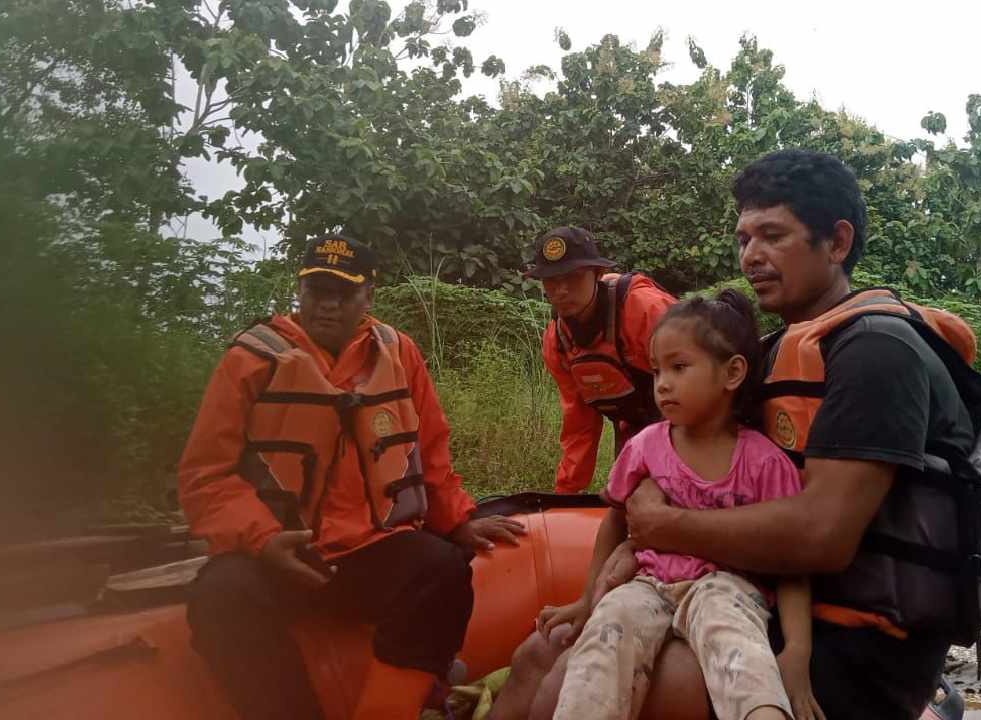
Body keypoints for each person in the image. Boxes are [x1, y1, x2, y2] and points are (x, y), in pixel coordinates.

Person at [495, 149, 981, 720]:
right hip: (746, 598)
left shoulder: (878, 353)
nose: (751, 256)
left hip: (852, 647)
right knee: (540, 653)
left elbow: (821, 536)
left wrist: (664, 525)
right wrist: (624, 557)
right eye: (743, 239)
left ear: (836, 243)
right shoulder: (773, 352)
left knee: (569, 680)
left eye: (772, 235)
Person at [179, 234, 526, 720]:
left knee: (443, 569)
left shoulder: (399, 353)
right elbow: (205, 476)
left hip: (369, 550)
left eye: (342, 293)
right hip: (279, 554)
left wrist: (458, 520)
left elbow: (429, 452)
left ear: (368, 296)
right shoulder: (250, 361)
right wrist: (262, 540)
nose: (326, 305)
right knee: (220, 595)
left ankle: (390, 708)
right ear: (300, 290)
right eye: (316, 290)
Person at [537, 289, 823, 720]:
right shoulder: (645, 447)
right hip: (648, 584)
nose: (663, 384)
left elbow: (791, 560)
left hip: (726, 585)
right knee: (606, 633)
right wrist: (585, 600)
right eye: (656, 372)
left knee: (737, 645)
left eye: (679, 367)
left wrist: (798, 651)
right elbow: (616, 519)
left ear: (732, 374)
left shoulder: (764, 461)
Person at [529, 226, 677, 494]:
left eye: (572, 278)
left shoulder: (645, 309)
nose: (560, 290)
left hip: (687, 421)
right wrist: (566, 493)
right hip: (632, 426)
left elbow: (699, 384)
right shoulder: (557, 341)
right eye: (550, 281)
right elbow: (579, 422)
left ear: (597, 274)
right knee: (627, 497)